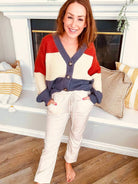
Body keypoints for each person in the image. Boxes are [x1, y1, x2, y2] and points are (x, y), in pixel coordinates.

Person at [34, 0, 102, 183]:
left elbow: (96, 72)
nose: (74, 24)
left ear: (86, 22)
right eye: (70, 17)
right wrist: (46, 98)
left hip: (82, 97)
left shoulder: (89, 45)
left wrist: (94, 97)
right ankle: (42, 178)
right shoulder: (48, 41)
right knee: (51, 141)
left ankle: (69, 162)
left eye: (80, 19)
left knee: (76, 133)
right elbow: (39, 71)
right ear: (63, 17)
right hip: (57, 97)